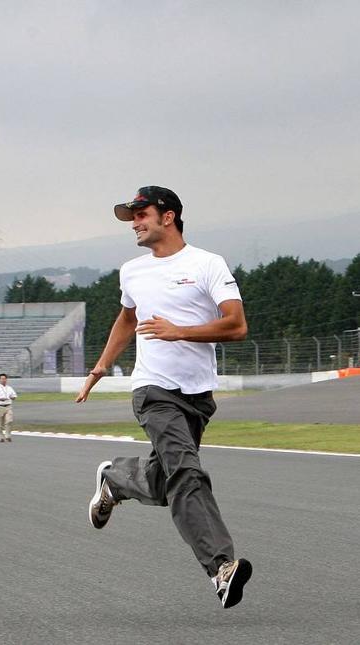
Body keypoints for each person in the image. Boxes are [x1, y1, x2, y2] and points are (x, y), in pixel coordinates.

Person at [75, 186, 253, 609]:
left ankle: (116, 479)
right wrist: (100, 368)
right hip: (153, 391)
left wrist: (181, 331)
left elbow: (236, 325)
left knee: (166, 481)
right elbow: (127, 319)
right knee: (187, 475)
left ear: (168, 216)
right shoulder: (132, 271)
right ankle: (221, 568)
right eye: (131, 216)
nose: (134, 222)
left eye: (141, 213)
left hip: (198, 396)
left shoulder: (207, 264)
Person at [0, 373, 18, 442]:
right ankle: (0, 437)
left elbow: (14, 396)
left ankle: (8, 435)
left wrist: (12, 397)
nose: (3, 380)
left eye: (5, 379)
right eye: (2, 379)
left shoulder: (9, 388)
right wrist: (1, 399)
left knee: (9, 421)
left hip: (8, 406)